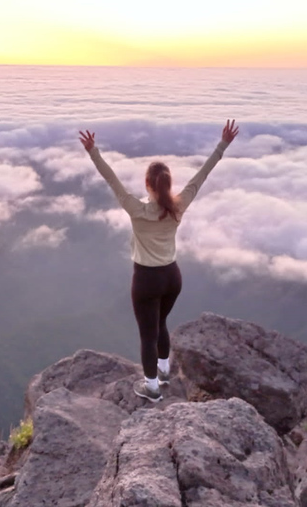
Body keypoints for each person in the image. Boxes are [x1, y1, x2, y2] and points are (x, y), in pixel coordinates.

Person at [79, 120, 239, 402]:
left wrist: (93, 151)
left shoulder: (137, 209)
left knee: (147, 335)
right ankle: (164, 370)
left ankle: (152, 387)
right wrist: (222, 144)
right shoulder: (178, 205)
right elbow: (201, 177)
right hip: (172, 277)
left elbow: (112, 179)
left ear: (147, 184)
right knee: (161, 321)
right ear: (168, 184)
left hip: (146, 279)